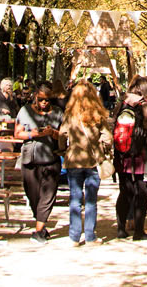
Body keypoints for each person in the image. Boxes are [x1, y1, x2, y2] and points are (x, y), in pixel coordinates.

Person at [59, 79, 112, 246]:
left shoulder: (69, 116)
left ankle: (74, 236)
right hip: (93, 161)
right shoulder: (98, 115)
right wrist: (104, 148)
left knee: (75, 199)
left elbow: (62, 135)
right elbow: (107, 137)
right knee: (91, 201)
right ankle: (90, 236)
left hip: (74, 161)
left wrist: (63, 150)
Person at [114, 75, 147, 240]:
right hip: (143, 155)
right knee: (141, 192)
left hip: (123, 154)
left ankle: (121, 228)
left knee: (125, 191)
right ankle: (138, 231)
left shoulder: (121, 104)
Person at [14, 80, 64, 242]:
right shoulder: (25, 111)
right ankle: (40, 223)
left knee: (48, 196)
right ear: (35, 96)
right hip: (30, 160)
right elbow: (17, 133)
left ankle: (38, 231)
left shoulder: (58, 113)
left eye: (47, 100)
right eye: (41, 99)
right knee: (33, 196)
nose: (44, 102)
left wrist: (53, 133)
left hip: (51, 160)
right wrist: (32, 134)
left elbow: (64, 135)